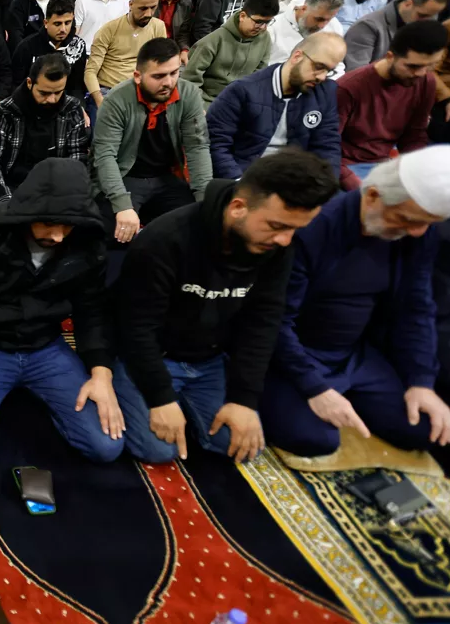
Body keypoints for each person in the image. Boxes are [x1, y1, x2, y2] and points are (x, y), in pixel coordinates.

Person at [113, 150, 338, 463]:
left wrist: (243, 399)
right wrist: (161, 397)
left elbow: (263, 323)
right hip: (153, 354)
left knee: (240, 446)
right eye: (276, 226)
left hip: (209, 360)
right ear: (238, 207)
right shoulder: (164, 240)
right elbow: (136, 329)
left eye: (294, 230)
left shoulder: (275, 246)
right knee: (158, 451)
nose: (285, 240)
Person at [261, 147, 450, 457]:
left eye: (427, 223)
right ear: (372, 196)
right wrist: (315, 388)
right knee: (315, 439)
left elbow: (416, 308)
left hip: (353, 355)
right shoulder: (315, 227)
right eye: (408, 219)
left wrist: (421, 380)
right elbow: (274, 320)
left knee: (424, 429)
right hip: (292, 355)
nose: (417, 231)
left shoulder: (417, 234)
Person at [0, 157, 123, 466]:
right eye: (49, 222)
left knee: (107, 444)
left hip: (46, 346)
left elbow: (93, 311)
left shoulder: (87, 239)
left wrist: (101, 373)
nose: (59, 236)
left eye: (67, 225)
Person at [92, 38, 212, 244]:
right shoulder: (116, 101)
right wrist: (122, 205)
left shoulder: (189, 94)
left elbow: (197, 148)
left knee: (197, 227)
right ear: (138, 76)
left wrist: (206, 200)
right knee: (114, 234)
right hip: (126, 176)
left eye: (174, 73)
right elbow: (105, 156)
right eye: (158, 76)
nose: (168, 82)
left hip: (166, 179)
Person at [208, 32, 347, 178]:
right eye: (319, 66)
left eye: (329, 71)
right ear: (297, 56)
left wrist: (324, 188)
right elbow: (216, 144)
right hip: (246, 177)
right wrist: (237, 183)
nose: (322, 77)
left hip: (295, 180)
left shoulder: (325, 92)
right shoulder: (243, 90)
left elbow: (327, 146)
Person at [338, 21, 447, 190]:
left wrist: (417, 172)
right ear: (390, 57)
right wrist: (353, 183)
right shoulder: (349, 87)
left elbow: (414, 135)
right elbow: (326, 146)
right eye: (413, 66)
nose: (420, 73)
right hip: (345, 167)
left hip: (383, 164)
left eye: (430, 66)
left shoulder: (426, 81)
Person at [0, 53, 89, 207]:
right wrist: (6, 203)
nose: (52, 100)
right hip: (12, 189)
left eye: (58, 92)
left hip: (56, 191)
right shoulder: (5, 112)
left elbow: (77, 160)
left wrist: (67, 199)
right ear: (29, 83)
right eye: (44, 93)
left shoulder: (72, 109)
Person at [181, 0, 276, 106]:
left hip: (240, 103)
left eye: (268, 22)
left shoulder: (264, 38)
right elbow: (189, 81)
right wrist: (201, 108)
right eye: (258, 22)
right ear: (242, 16)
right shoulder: (212, 41)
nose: (263, 27)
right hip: (208, 102)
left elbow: (258, 78)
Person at [85, 0, 167, 114]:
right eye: (142, 8)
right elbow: (90, 72)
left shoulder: (158, 27)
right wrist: (100, 102)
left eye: (153, 7)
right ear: (130, 4)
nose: (148, 14)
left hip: (142, 92)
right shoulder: (108, 30)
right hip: (109, 91)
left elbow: (161, 65)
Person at [343, 0, 448, 72]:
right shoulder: (367, 27)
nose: (426, 22)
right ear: (408, 4)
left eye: (433, 16)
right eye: (422, 15)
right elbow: (356, 74)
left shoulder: (424, 24)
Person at [11, 0, 88, 97]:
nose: (63, 29)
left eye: (67, 23)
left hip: (66, 104)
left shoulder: (79, 46)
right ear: (46, 23)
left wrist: (78, 107)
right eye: (57, 24)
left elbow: (77, 86)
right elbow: (17, 85)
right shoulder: (26, 47)